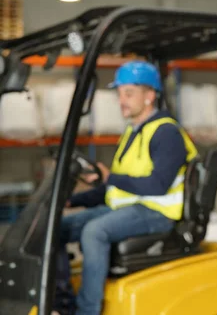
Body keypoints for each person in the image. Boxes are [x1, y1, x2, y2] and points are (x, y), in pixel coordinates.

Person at [52, 61, 198, 315]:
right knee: (57, 228)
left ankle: (87, 311)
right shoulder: (133, 132)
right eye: (119, 94)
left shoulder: (166, 133)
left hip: (157, 213)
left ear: (150, 95)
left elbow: (158, 184)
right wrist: (73, 201)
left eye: (129, 93)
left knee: (94, 231)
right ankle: (61, 302)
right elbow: (114, 187)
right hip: (130, 207)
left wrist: (111, 178)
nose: (122, 100)